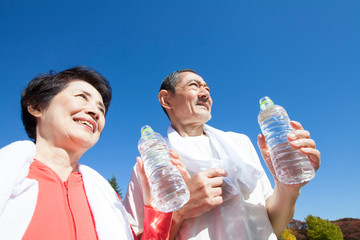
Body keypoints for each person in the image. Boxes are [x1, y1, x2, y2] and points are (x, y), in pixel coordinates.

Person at [124, 69, 321, 239]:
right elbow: (136, 236)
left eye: (207, 89)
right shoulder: (150, 167)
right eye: (195, 86)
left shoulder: (240, 144)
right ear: (166, 99)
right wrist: (180, 212)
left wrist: (287, 187)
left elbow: (273, 227)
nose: (205, 94)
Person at [0, 66, 175, 240]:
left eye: (101, 110)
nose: (95, 113)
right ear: (37, 106)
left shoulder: (104, 196)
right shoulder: (8, 173)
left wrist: (155, 207)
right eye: (81, 97)